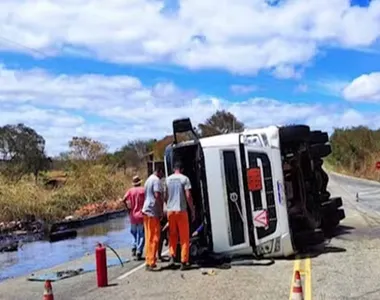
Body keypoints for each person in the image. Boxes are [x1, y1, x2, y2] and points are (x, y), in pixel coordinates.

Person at [165, 161, 195, 270]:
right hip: (181, 211)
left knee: (172, 235)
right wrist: (192, 210)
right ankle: (184, 261)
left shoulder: (167, 180)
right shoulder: (185, 179)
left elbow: (166, 196)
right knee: (184, 237)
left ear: (174, 169)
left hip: (170, 211)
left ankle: (172, 256)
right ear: (182, 169)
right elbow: (188, 196)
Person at [142, 168, 165, 271]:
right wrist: (161, 209)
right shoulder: (156, 180)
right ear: (159, 172)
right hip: (152, 212)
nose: (161, 177)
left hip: (146, 211)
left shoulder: (148, 179)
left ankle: (148, 259)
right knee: (155, 237)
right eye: (162, 174)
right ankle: (151, 261)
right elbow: (157, 195)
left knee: (148, 237)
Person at [122, 175, 145, 260]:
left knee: (134, 233)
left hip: (133, 215)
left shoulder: (130, 191)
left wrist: (128, 208)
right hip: (141, 214)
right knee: (141, 234)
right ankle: (139, 250)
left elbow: (124, 199)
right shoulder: (143, 190)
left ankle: (134, 246)